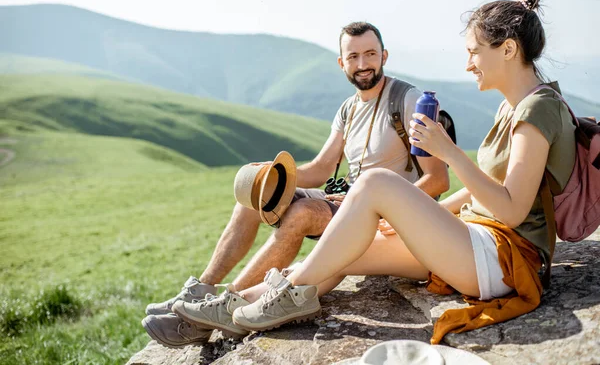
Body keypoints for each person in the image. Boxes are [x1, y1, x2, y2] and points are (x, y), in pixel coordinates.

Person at [173, 0, 576, 343]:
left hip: (504, 260)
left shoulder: (536, 110)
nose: (468, 64)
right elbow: (478, 190)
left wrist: (449, 153)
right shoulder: (513, 108)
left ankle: (270, 299)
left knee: (375, 183)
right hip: (474, 239)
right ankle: (229, 307)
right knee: (341, 253)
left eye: (473, 52)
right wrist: (416, 217)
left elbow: (511, 208)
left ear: (507, 49)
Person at [142, 22, 450, 346]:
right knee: (255, 198)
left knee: (302, 213)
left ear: (384, 55)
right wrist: (272, 176)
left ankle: (228, 302)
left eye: (371, 54)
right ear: (341, 62)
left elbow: (437, 179)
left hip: (379, 214)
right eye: (354, 56)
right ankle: (202, 289)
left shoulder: (408, 100)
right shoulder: (348, 109)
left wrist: (390, 208)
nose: (363, 64)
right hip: (346, 200)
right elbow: (320, 168)